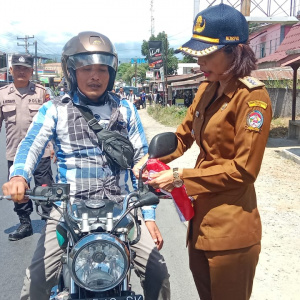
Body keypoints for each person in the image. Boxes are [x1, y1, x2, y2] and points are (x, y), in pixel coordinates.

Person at [2, 31, 170, 300]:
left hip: (122, 208)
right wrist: (19, 176)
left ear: (111, 73)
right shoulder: (55, 108)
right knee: (36, 282)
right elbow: (30, 145)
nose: (95, 76)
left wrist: (148, 218)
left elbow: (144, 161)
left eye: (102, 69)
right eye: (87, 68)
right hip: (69, 210)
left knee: (158, 274)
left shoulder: (126, 109)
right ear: (72, 71)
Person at [134, 4, 272, 300]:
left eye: (208, 54)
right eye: (198, 54)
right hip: (200, 224)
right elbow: (183, 136)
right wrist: (152, 160)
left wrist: (180, 177)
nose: (200, 62)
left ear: (233, 51)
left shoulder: (252, 98)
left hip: (231, 230)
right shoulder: (206, 88)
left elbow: (244, 170)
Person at [0, 54, 54, 241]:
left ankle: (50, 224)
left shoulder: (41, 93)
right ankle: (25, 223)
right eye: (18, 67)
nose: (21, 71)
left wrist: (54, 145)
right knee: (19, 191)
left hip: (41, 152)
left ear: (32, 71)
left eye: (25, 68)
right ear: (11, 70)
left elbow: (52, 121)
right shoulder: (2, 94)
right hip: (14, 152)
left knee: (46, 189)